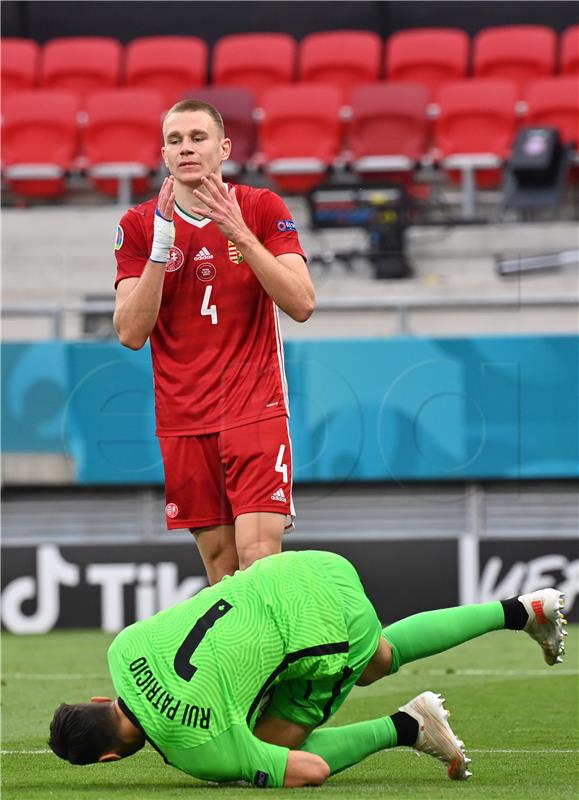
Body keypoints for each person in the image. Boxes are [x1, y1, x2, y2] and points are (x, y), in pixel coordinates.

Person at [48, 550, 567, 788]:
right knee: (380, 656)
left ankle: (406, 725)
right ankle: (520, 611)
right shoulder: (124, 647)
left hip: (326, 625)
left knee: (291, 742)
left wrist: (241, 767)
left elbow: (312, 772)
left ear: (111, 757)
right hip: (302, 567)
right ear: (97, 699)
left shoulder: (198, 753)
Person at [113, 99, 315, 584]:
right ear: (163, 154)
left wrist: (240, 234)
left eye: (198, 138)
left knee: (259, 558)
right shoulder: (138, 225)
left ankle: (280, 658)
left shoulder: (262, 207)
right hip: (184, 418)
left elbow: (302, 303)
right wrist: (161, 248)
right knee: (222, 573)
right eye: (176, 140)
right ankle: (254, 661)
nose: (187, 149)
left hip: (255, 407)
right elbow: (129, 332)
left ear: (223, 148)